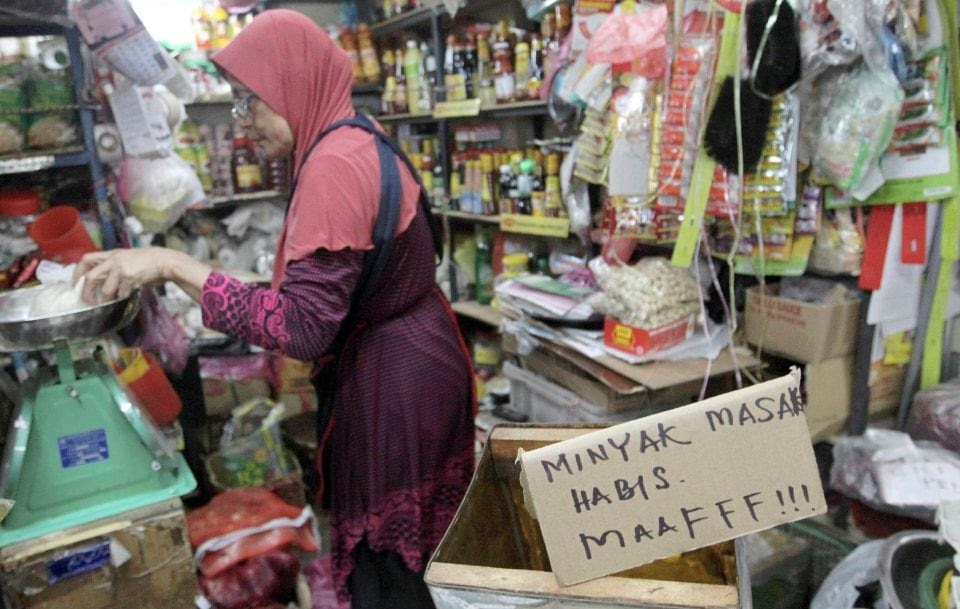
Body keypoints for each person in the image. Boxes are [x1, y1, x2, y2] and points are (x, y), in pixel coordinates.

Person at [74, 10, 476, 608]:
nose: (244, 123)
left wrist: (170, 263)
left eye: (249, 102)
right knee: (423, 554)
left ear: (292, 84)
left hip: (396, 386)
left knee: (394, 571)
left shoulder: (334, 167)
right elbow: (318, 288)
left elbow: (301, 328)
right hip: (415, 359)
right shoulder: (354, 135)